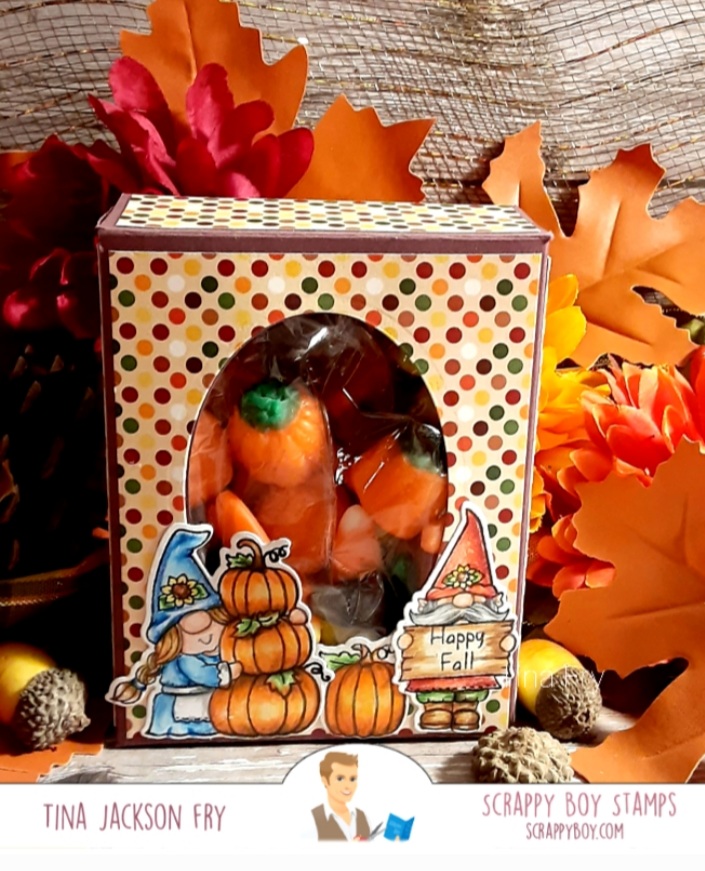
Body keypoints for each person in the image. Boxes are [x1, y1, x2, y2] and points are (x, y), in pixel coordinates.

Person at [109, 526, 241, 738]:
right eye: (193, 632)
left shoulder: (216, 652)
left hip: (205, 708)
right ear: (173, 637)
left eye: (212, 624)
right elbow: (203, 674)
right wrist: (231, 671)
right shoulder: (185, 660)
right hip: (175, 713)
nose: (206, 637)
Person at [311, 752, 371, 841]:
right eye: (340, 779)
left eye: (352, 779)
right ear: (325, 781)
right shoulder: (312, 819)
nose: (348, 786)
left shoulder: (362, 817)